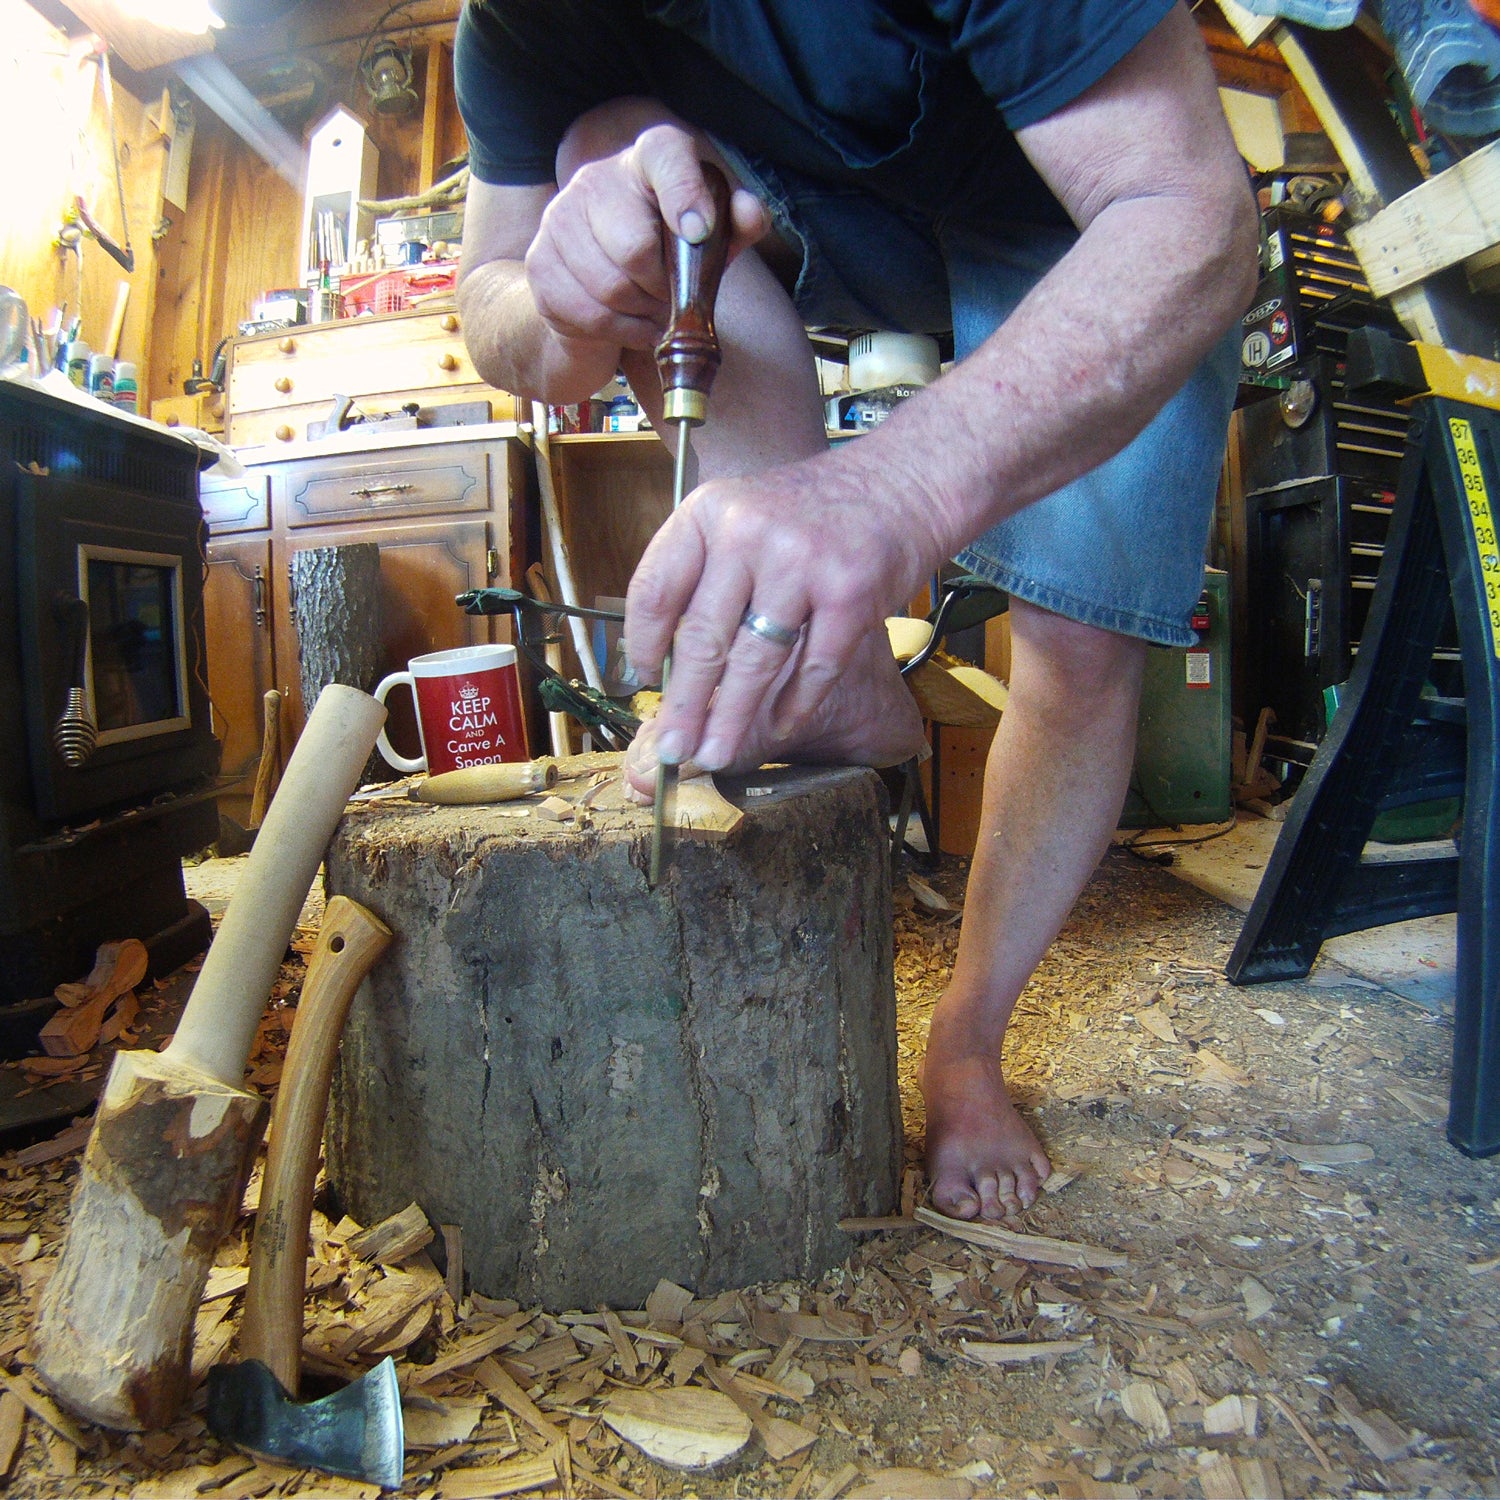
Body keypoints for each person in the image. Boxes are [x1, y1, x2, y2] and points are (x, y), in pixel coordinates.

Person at [453, 1, 1259, 1222]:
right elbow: (492, 307)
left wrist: (893, 491)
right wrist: (565, 292)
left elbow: (1195, 222)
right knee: (604, 142)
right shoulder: (515, 22)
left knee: (1081, 638)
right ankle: (826, 680)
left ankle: (968, 1043)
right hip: (811, 210)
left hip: (1088, 218)